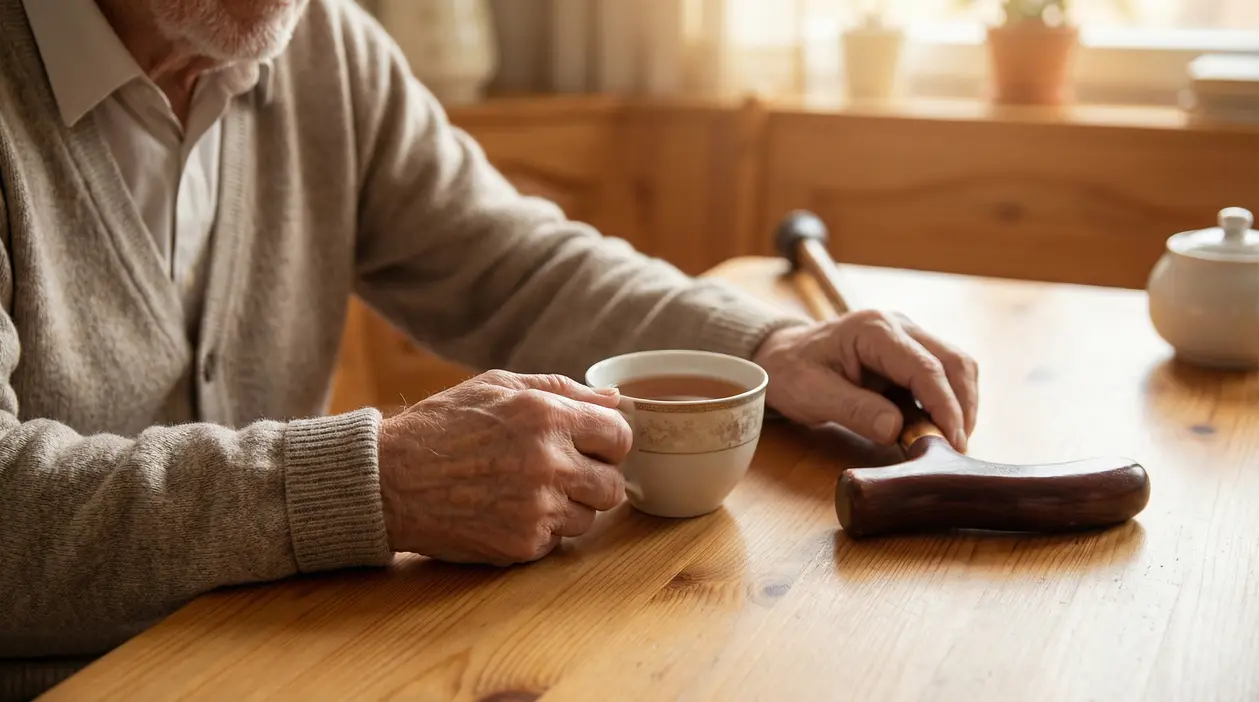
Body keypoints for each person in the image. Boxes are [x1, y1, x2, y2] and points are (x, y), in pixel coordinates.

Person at [0, 0, 979, 698]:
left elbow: (508, 260)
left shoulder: (324, 44)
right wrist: (370, 481)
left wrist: (766, 340)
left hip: (257, 659)